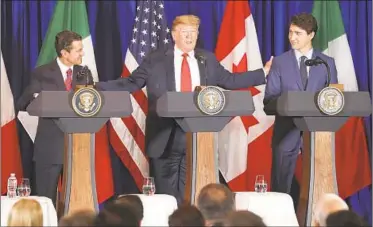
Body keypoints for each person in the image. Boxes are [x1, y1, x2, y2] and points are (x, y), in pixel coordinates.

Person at [94, 14, 273, 205]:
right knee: (167, 200)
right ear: (174, 35)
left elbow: (230, 80)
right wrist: (97, 88)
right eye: (185, 32)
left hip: (197, 138)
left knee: (193, 196)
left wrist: (262, 72)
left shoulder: (207, 59)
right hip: (165, 137)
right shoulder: (156, 59)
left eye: (193, 32)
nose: (190, 37)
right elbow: (132, 83)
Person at [17, 30, 93, 206]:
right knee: (46, 201)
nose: (83, 53)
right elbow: (23, 103)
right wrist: (37, 97)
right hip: (50, 148)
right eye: (78, 50)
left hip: (78, 149)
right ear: (64, 53)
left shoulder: (84, 73)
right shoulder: (41, 73)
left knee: (77, 203)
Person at [264, 13, 338, 194]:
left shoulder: (327, 63)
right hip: (286, 134)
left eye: (298, 33)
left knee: (319, 189)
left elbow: (334, 100)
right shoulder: (280, 63)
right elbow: (268, 102)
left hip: (317, 135)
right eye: (290, 32)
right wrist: (290, 104)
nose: (292, 37)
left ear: (311, 35)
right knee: (280, 190)